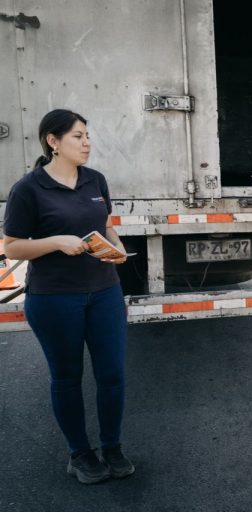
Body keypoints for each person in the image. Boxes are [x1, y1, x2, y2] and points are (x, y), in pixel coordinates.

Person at [3, 109, 134, 484]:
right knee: (67, 378)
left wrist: (118, 249)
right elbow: (12, 247)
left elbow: (106, 225)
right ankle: (80, 453)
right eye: (78, 136)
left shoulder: (95, 180)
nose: (87, 142)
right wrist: (56, 242)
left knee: (112, 375)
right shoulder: (28, 189)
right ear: (53, 141)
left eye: (88, 135)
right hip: (56, 298)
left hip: (105, 291)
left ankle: (112, 446)